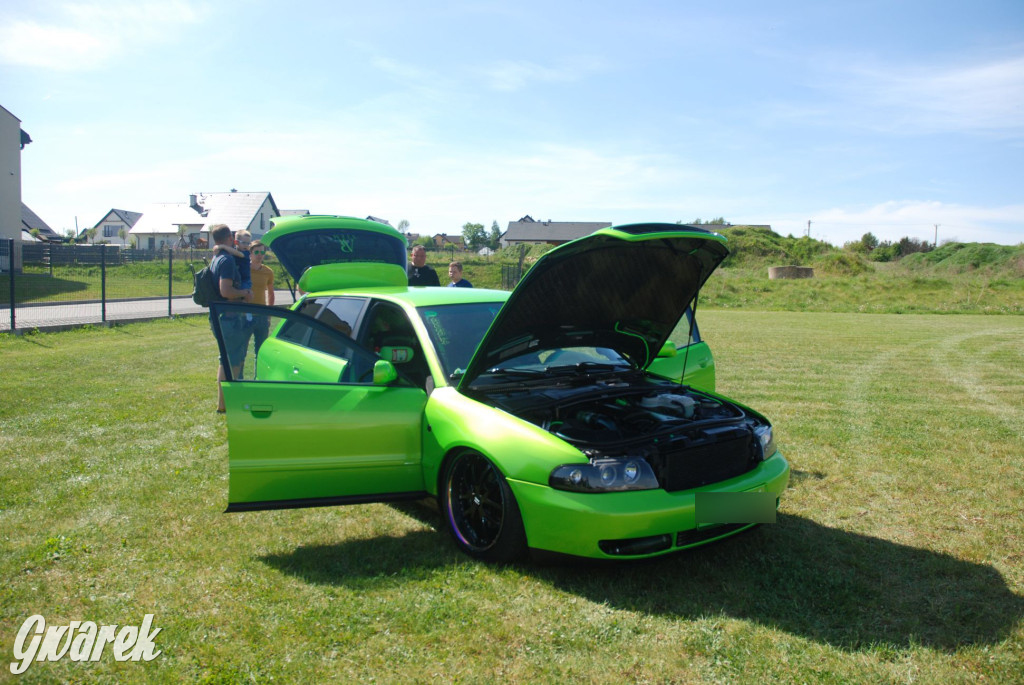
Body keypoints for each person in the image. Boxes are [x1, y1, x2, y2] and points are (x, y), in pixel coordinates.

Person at [209, 224, 253, 413]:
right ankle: (227, 404)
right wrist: (244, 293)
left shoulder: (216, 258)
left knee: (226, 359)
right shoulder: (227, 260)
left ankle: (224, 403)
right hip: (229, 316)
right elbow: (225, 291)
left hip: (220, 315)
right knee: (232, 360)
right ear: (229, 238)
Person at [248, 240, 275, 353]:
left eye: (262, 252)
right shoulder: (244, 269)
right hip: (246, 314)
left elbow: (271, 293)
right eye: (256, 252)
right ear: (250, 253)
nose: (259, 255)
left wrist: (269, 315)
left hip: (262, 314)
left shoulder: (268, 272)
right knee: (241, 347)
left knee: (260, 350)